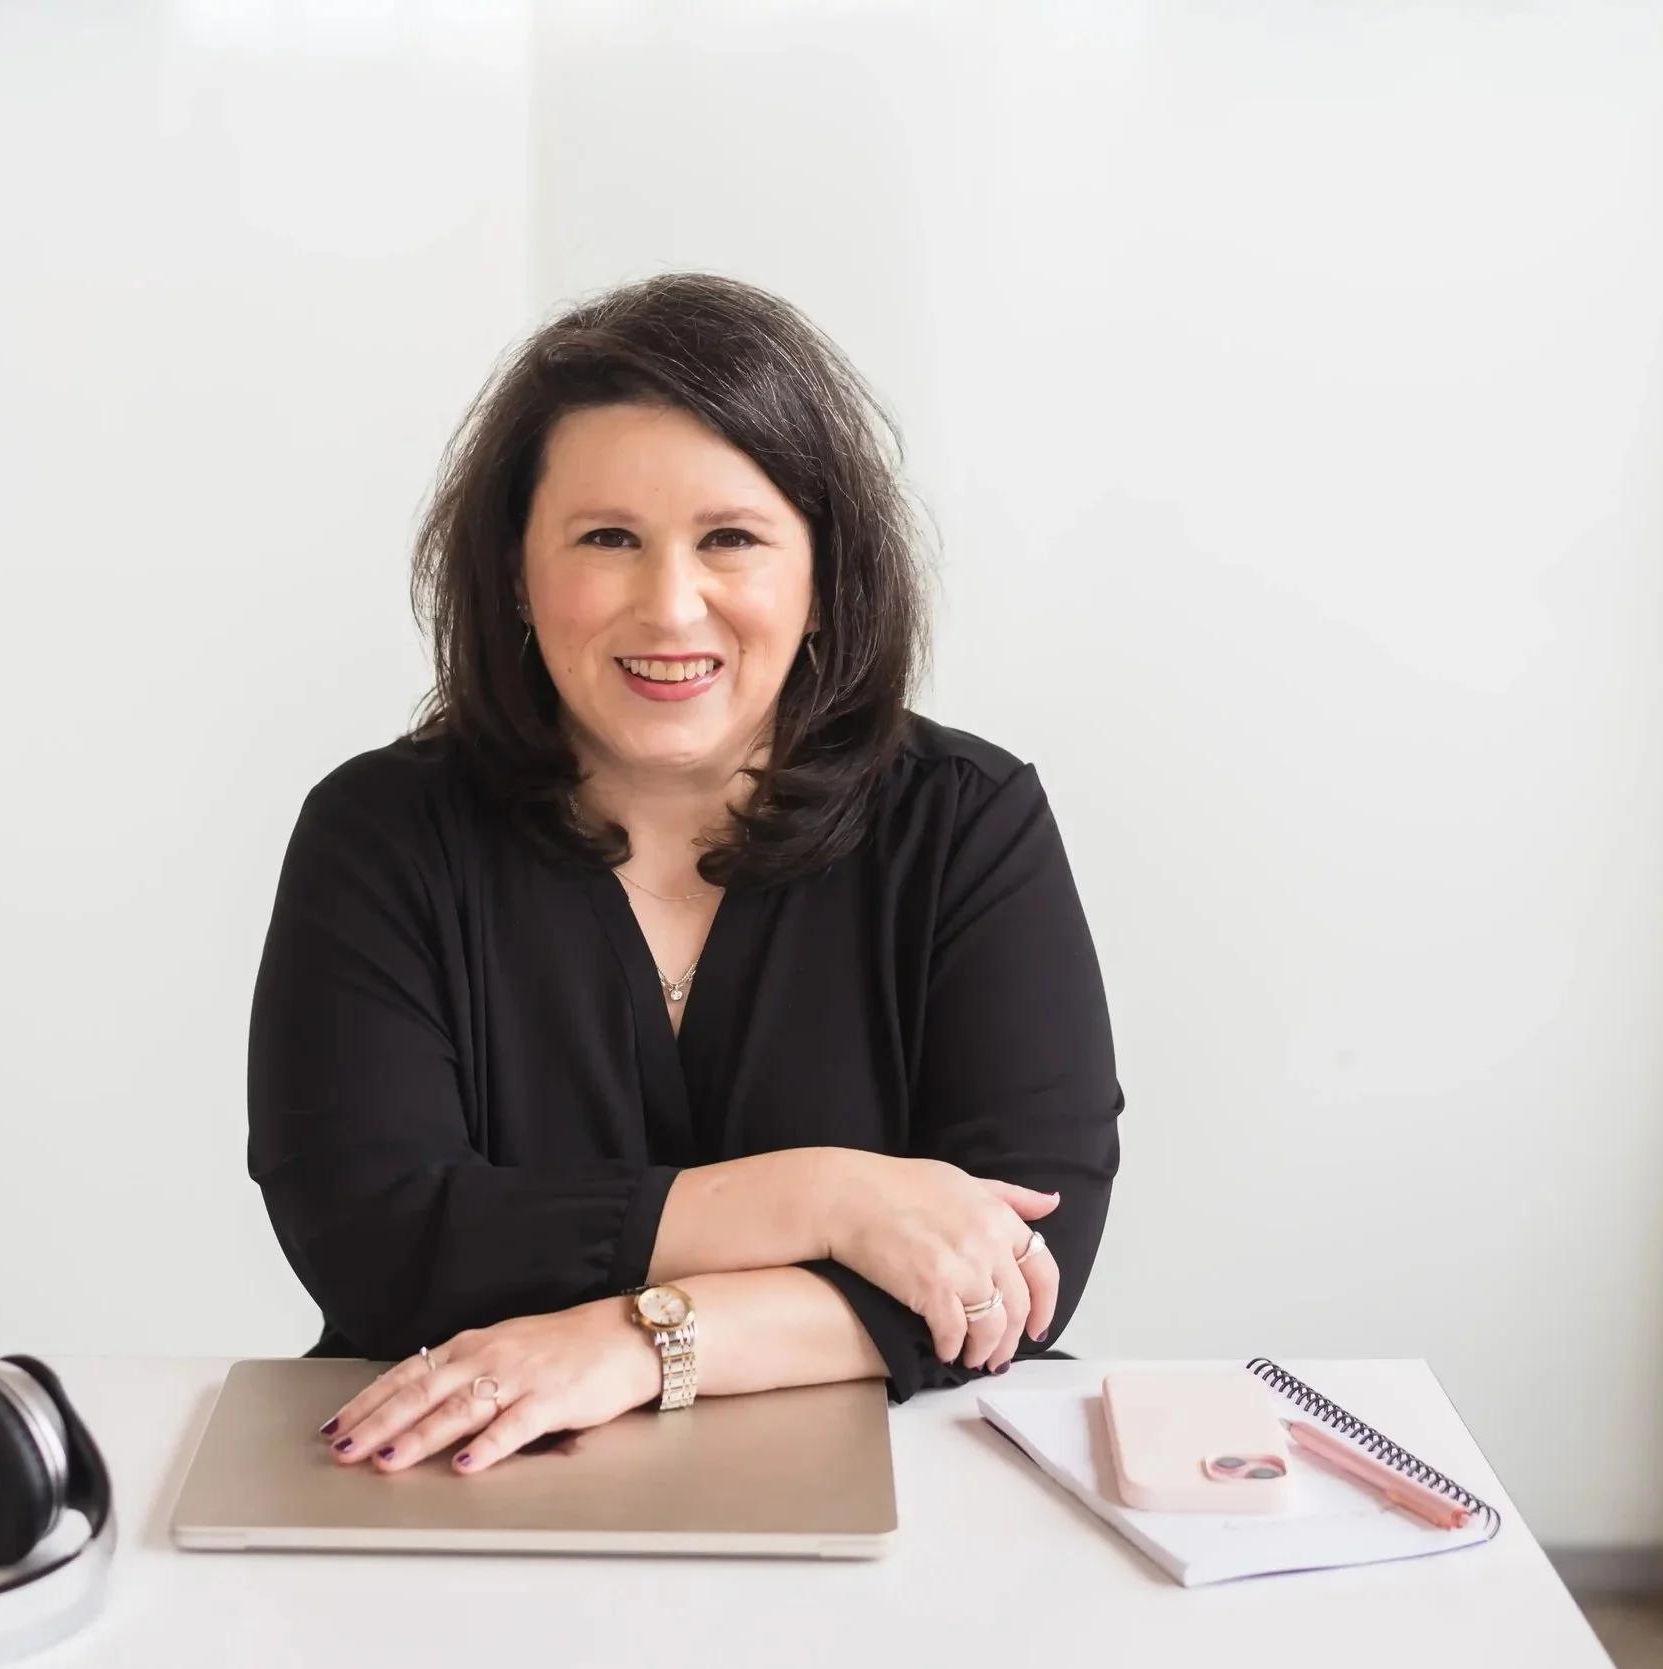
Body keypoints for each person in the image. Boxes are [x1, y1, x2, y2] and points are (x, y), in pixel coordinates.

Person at [247, 272, 1121, 1477]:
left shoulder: (967, 823)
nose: (670, 606)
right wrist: (825, 1200)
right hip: (457, 1476)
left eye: (731, 539)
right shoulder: (381, 830)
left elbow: (1019, 1273)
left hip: (908, 1485)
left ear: (822, 574)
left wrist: (636, 1340)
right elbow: (378, 1239)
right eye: (607, 539)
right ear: (515, 571)